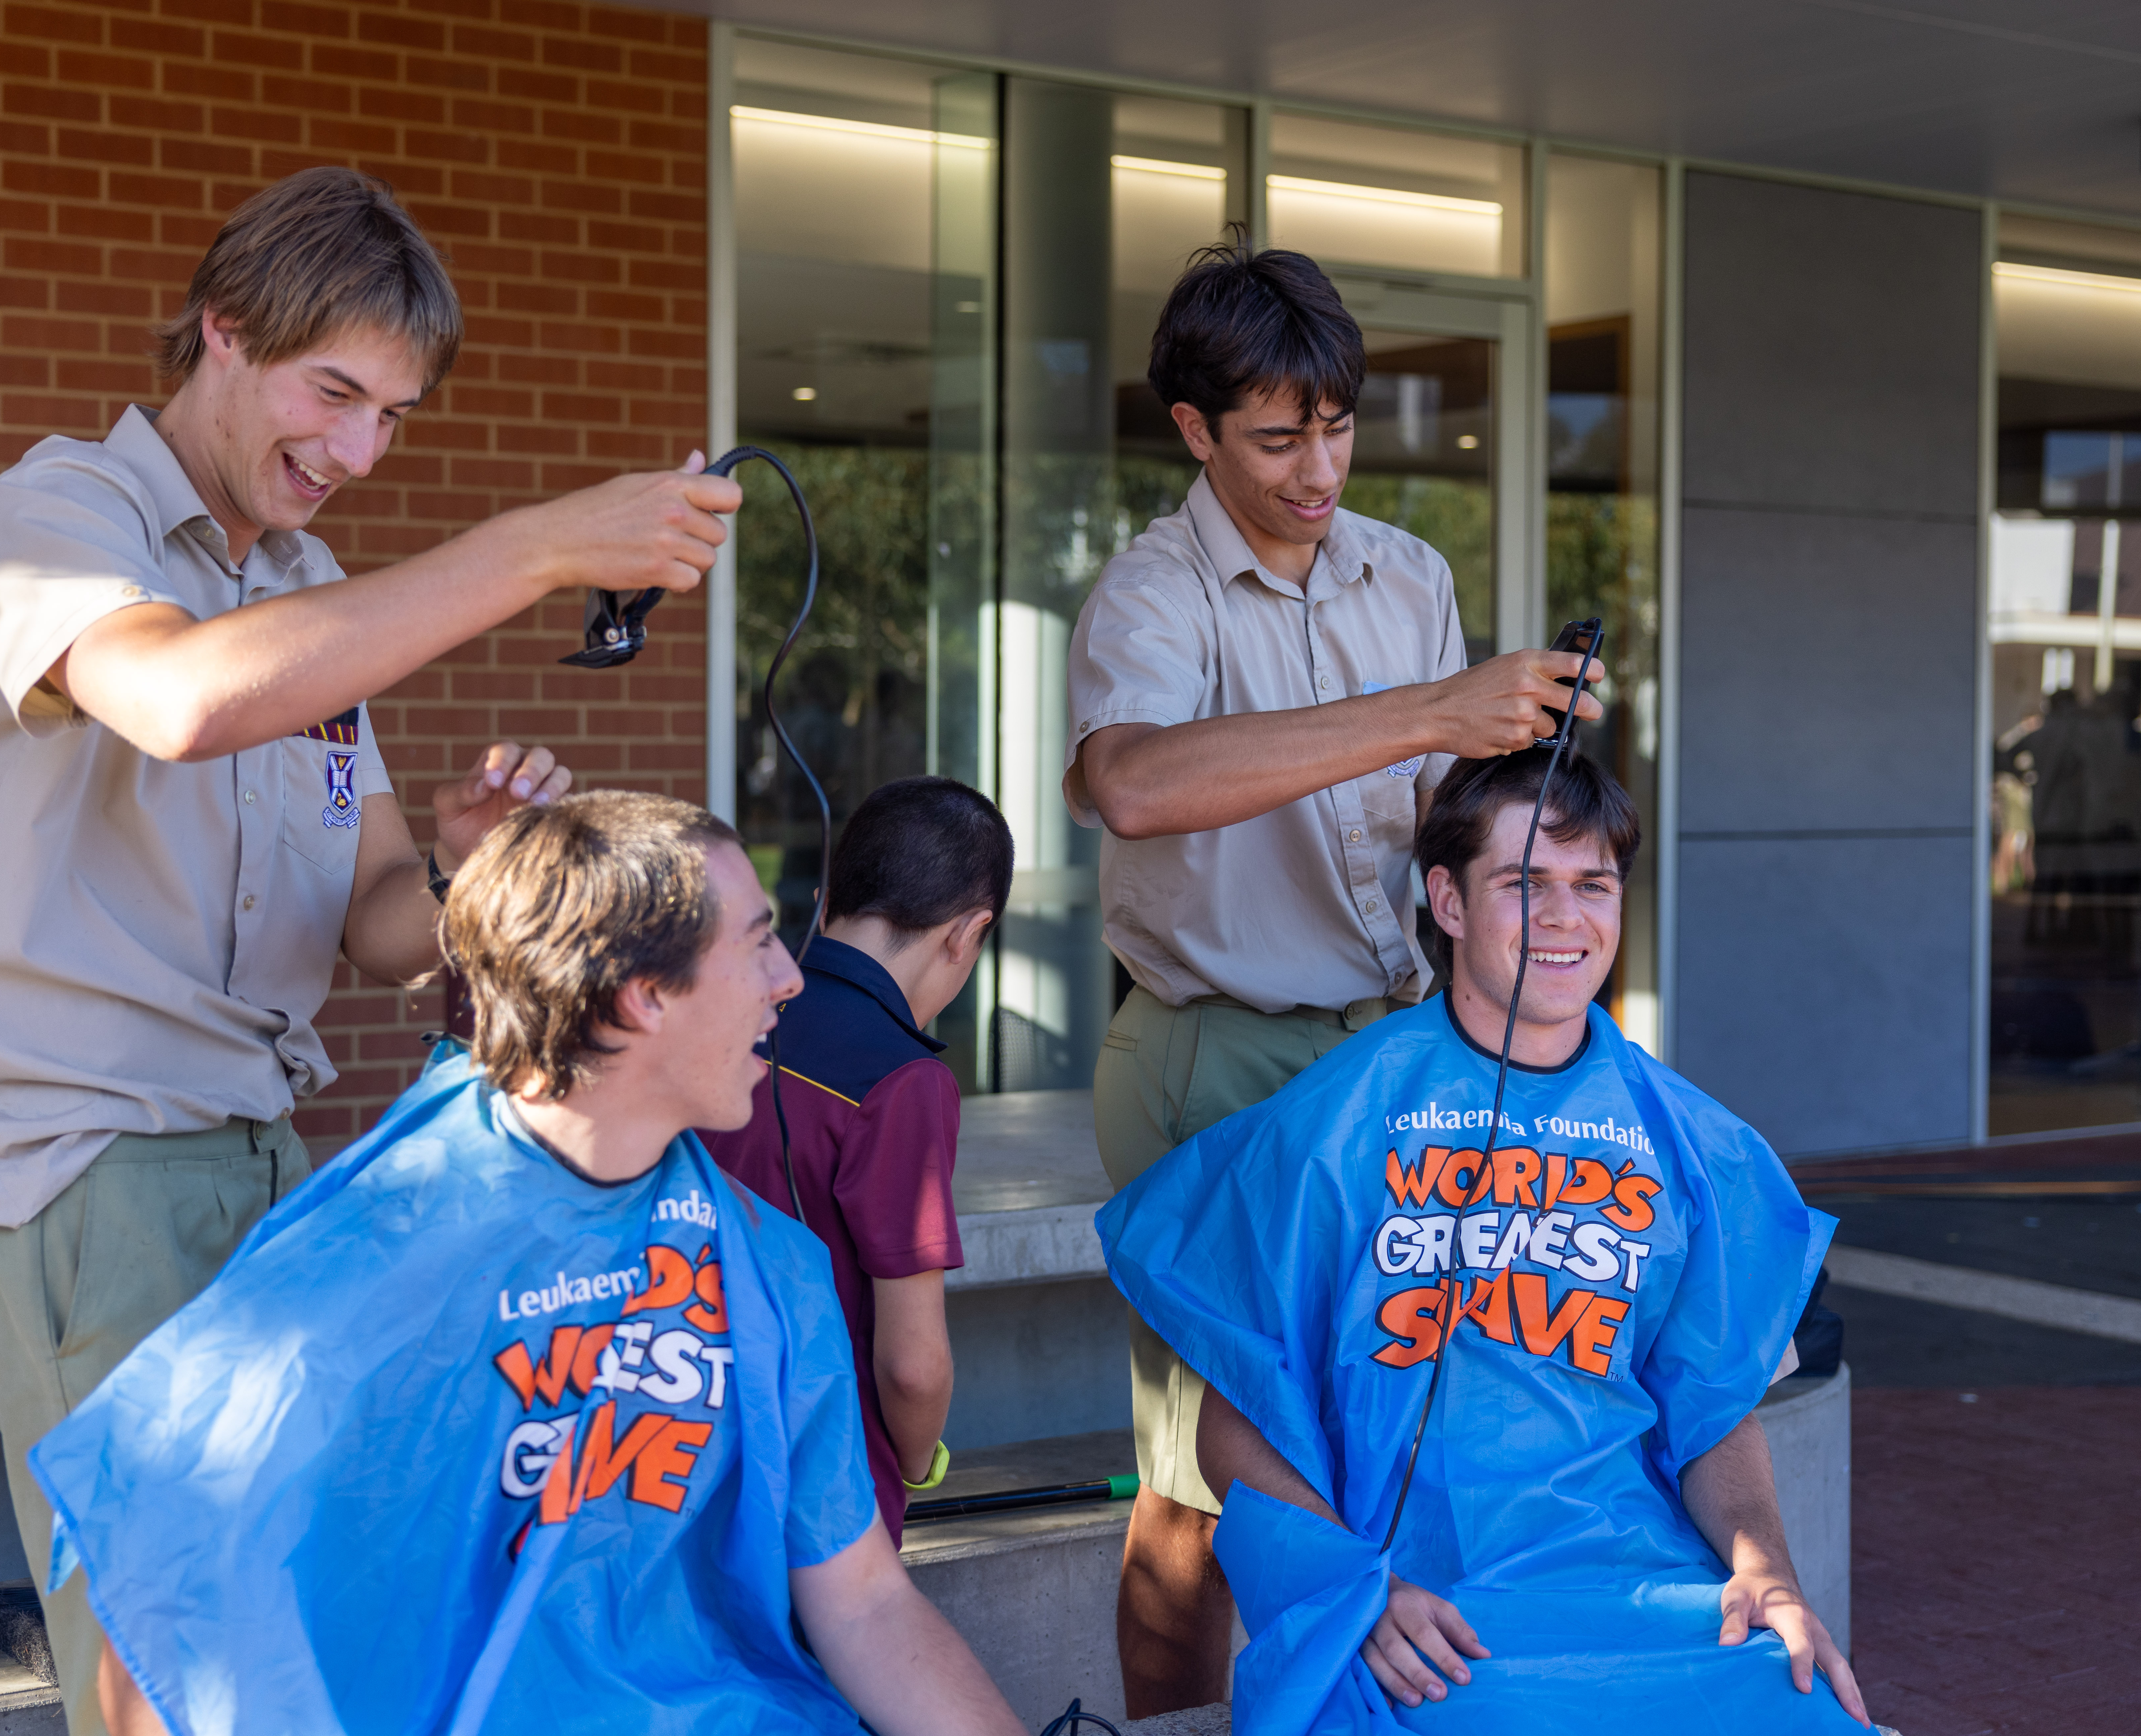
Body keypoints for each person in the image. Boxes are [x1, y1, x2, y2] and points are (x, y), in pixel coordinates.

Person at [0, 166, 743, 1729]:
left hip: (270, 1161)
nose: (355, 452)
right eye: (331, 393)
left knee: (289, 1655)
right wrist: (534, 546)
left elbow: (380, 920)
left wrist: (463, 852)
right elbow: (183, 699)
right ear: (221, 332)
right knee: (179, 1678)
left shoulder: (311, 593)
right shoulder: (61, 508)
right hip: (87, 1168)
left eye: (392, 417)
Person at [38, 791, 1030, 1736]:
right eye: (757, 941)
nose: (791, 980)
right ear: (644, 997)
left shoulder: (773, 1263)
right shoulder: (364, 1263)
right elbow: (154, 1618)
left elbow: (862, 1602)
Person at [1065, 240, 1608, 1712]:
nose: (1318, 468)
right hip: (1216, 1059)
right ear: (1192, 430)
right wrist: (1428, 704)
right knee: (1203, 1486)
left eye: (1338, 425)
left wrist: (1526, 746)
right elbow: (1129, 784)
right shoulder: (1150, 591)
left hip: (1391, 1052)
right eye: (1274, 434)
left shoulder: (1406, 572)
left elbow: (1439, 813)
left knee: (1398, 1443)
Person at [1094, 748, 1872, 1734]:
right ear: (1448, 904)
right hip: (1426, 1611)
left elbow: (1711, 1413)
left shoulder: (1690, 1141)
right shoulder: (1331, 1125)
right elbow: (1228, 1420)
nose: (1562, 918)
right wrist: (1349, 1588)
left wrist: (1765, 1569)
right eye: (1522, 884)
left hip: (1645, 1599)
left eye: (1591, 885)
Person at [703, 776, 1015, 1543]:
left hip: (681, 1433)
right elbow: (912, 1363)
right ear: (967, 935)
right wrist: (911, 1464)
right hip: (821, 1476)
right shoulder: (903, 1080)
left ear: (825, 896)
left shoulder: (716, 1017)